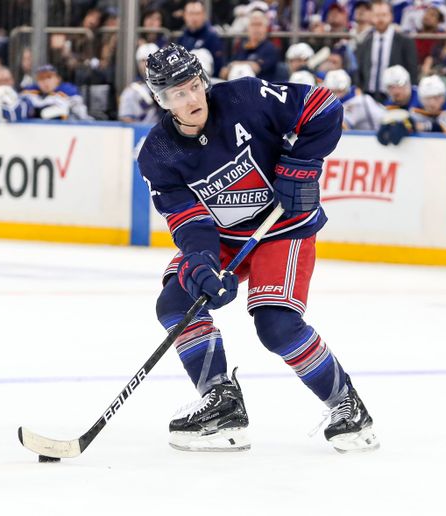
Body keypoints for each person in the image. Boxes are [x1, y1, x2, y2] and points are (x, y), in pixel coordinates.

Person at [137, 44, 379, 453]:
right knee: (176, 304)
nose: (192, 98)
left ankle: (347, 406)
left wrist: (301, 165)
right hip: (225, 238)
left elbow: (323, 106)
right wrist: (201, 265)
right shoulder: (158, 154)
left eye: (194, 86)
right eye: (178, 94)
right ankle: (222, 404)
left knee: (276, 325)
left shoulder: (245, 97)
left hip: (284, 226)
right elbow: (189, 221)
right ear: (162, 100)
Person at [356, 0, 418, 101]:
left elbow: (412, 70)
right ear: (371, 17)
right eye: (377, 15)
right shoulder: (365, 41)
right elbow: (359, 70)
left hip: (394, 96)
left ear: (391, 16)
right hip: (368, 94)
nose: (380, 19)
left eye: (384, 15)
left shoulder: (404, 41)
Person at [0, 64, 91, 122]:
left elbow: (76, 115)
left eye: (49, 77)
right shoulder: (31, 91)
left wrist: (34, 110)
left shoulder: (69, 91)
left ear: (58, 79)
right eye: (41, 79)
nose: (45, 82)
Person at [220, 9, 280, 82]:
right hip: (237, 84)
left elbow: (256, 67)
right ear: (248, 28)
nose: (256, 28)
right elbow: (223, 72)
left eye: (259, 24)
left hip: (262, 89)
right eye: (253, 25)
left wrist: (233, 65)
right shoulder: (241, 46)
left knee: (245, 69)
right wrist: (229, 68)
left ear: (266, 28)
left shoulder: (269, 48)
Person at [177, 0, 224, 76]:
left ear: (204, 15)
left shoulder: (212, 36)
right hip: (183, 79)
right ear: (185, 15)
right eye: (191, 14)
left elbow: (218, 65)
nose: (194, 18)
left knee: (201, 54)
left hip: (207, 79)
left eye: (197, 14)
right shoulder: (183, 37)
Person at [118, 43, 162, 124]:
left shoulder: (170, 87)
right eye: (143, 60)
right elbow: (126, 119)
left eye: (151, 60)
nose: (147, 64)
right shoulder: (132, 90)